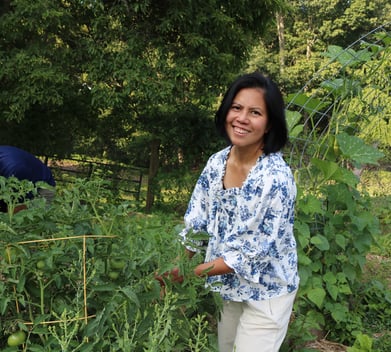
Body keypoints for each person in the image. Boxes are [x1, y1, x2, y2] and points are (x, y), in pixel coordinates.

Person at [161, 72, 299, 352]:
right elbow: (196, 221)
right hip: (228, 284)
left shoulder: (275, 179)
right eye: (236, 108)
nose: (242, 118)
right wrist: (179, 265)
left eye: (255, 112)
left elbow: (249, 255)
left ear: (270, 123)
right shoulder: (217, 163)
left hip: (267, 291)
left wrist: (188, 273)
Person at [0, 145, 56, 213]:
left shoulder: (13, 170)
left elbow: (16, 209)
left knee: (22, 220)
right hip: (21, 177)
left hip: (41, 191)